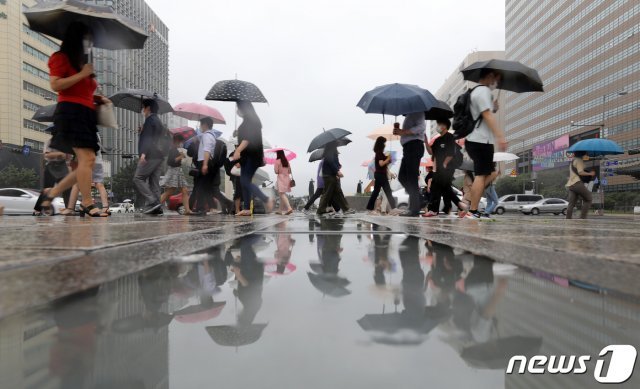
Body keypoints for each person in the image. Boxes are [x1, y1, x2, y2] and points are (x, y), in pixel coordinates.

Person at [36, 21, 110, 217]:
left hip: (86, 114)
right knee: (88, 159)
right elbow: (56, 84)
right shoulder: (60, 58)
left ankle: (53, 192)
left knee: (85, 163)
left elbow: (81, 89)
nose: (89, 43)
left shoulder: (82, 63)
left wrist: (96, 98)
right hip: (70, 112)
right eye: (86, 39)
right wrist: (83, 74)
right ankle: (87, 202)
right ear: (76, 39)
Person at [465, 69, 507, 219]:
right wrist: (500, 136)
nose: (497, 83)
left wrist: (493, 107)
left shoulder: (476, 92)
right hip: (480, 140)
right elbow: (486, 115)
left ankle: (472, 206)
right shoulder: (483, 91)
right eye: (497, 79)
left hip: (477, 139)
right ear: (490, 76)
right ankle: (473, 210)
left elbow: (486, 113)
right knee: (482, 175)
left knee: (488, 174)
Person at [232, 101, 273, 216]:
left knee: (245, 181)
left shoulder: (250, 121)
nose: (237, 110)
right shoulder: (248, 121)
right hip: (247, 157)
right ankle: (246, 208)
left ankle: (265, 199)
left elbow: (248, 139)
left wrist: (238, 150)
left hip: (251, 155)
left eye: (238, 107)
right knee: (245, 181)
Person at [423, 120, 467, 218]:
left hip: (447, 168)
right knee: (443, 188)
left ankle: (434, 210)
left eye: (439, 124)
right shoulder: (437, 140)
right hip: (439, 168)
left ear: (444, 126)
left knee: (437, 186)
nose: (437, 126)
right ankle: (461, 205)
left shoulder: (450, 137)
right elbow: (431, 152)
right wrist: (426, 141)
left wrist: (445, 163)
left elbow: (451, 153)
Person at [194, 117, 233, 215]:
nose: (200, 127)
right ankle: (202, 208)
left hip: (205, 161)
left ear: (205, 125)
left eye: (201, 125)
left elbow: (207, 150)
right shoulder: (212, 136)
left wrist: (205, 164)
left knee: (202, 186)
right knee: (207, 188)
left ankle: (201, 208)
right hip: (207, 162)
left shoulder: (207, 136)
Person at [134, 99, 165, 215]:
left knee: (138, 178)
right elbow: (155, 136)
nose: (143, 110)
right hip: (159, 156)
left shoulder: (149, 120)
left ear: (148, 108)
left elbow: (148, 138)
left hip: (150, 155)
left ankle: (152, 201)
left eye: (143, 107)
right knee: (154, 183)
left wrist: (143, 154)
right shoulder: (158, 121)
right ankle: (157, 207)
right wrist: (142, 131)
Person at [393, 112, 426, 216]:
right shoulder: (409, 115)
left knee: (411, 178)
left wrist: (404, 131)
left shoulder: (417, 112)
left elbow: (421, 127)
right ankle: (419, 199)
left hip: (414, 146)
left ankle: (414, 208)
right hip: (408, 148)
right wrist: (401, 132)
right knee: (402, 177)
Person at [34, 136, 71, 216]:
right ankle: (38, 210)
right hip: (51, 165)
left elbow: (68, 158)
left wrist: (67, 155)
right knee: (47, 189)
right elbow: (46, 155)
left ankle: (68, 208)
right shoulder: (50, 140)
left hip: (63, 166)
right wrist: (60, 154)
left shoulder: (66, 142)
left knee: (67, 187)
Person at [316, 141, 354, 216]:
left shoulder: (331, 151)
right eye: (336, 142)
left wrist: (338, 167)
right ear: (333, 144)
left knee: (337, 192)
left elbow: (334, 162)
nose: (338, 142)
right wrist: (337, 171)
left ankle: (346, 209)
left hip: (331, 175)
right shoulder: (330, 151)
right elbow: (331, 162)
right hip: (329, 175)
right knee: (327, 193)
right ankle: (320, 210)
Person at [160, 134, 192, 214]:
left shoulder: (176, 149)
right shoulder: (173, 149)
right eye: (181, 141)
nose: (182, 143)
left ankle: (187, 210)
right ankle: (155, 205)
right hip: (173, 171)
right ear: (177, 141)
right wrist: (180, 157)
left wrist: (181, 156)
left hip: (178, 171)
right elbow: (170, 162)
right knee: (170, 191)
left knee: (184, 190)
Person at [366, 136, 396, 215]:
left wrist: (389, 159)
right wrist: (387, 159)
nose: (385, 145)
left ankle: (369, 209)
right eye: (384, 143)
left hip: (380, 174)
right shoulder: (379, 153)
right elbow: (381, 163)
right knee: (388, 191)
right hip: (381, 175)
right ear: (381, 144)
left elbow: (384, 162)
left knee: (376, 192)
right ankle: (393, 209)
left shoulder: (380, 153)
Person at [566, 151, 595, 219]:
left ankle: (568, 219)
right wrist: (590, 173)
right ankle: (583, 218)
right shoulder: (579, 160)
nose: (586, 155)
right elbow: (580, 172)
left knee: (571, 203)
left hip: (571, 185)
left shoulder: (572, 161)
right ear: (582, 154)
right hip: (577, 183)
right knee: (588, 199)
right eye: (585, 154)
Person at [274, 149, 293, 215]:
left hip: (281, 178)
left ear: (278, 154)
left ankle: (289, 208)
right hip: (287, 178)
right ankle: (280, 210)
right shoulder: (286, 161)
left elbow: (276, 172)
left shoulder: (277, 161)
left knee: (281, 194)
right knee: (281, 194)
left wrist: (278, 168)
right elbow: (289, 171)